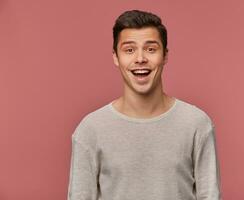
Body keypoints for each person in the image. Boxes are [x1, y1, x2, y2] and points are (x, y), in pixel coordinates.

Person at [67, 9, 222, 200]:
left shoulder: (196, 124)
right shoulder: (90, 130)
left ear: (165, 56)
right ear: (116, 57)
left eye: (150, 49)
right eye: (129, 50)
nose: (140, 59)